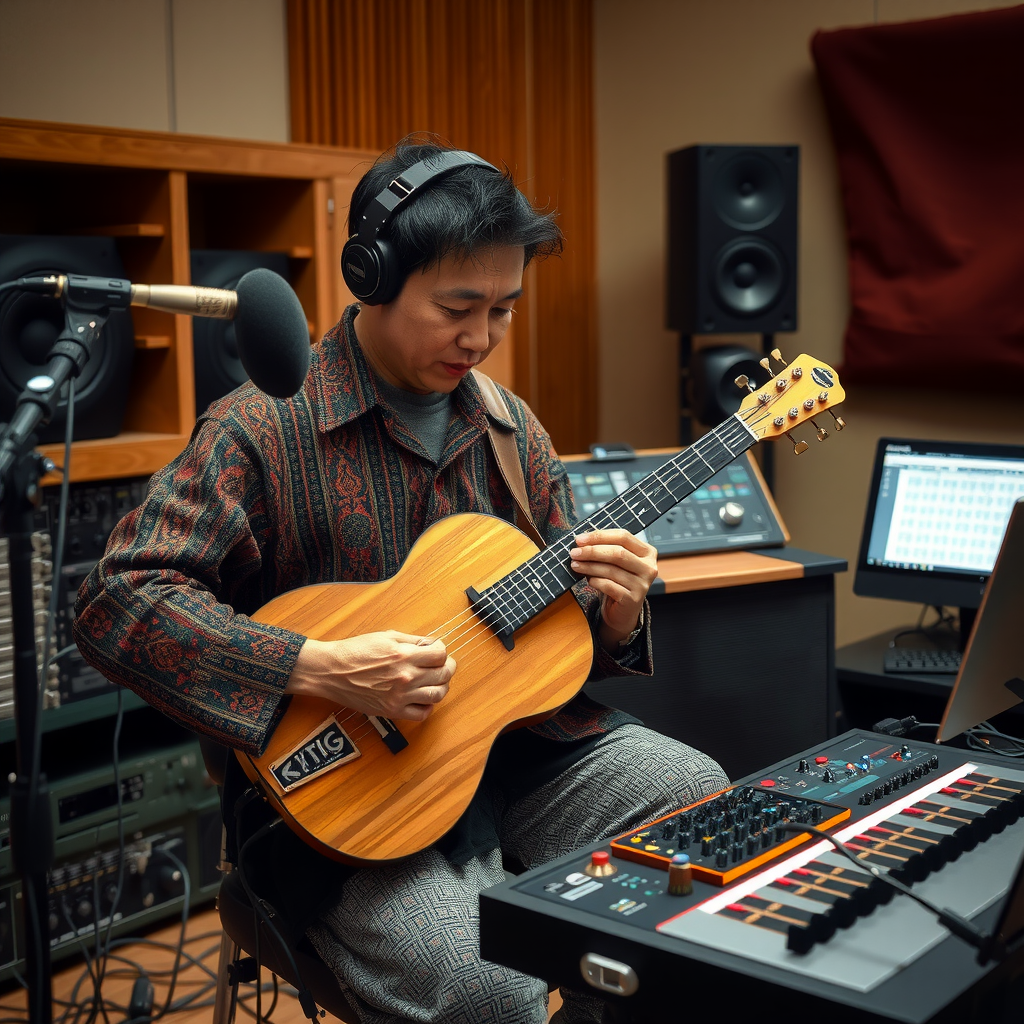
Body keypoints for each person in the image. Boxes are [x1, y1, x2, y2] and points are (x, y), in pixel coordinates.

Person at [74, 136, 728, 1024]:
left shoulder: (511, 427)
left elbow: (560, 617)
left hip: (521, 751)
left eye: (503, 308)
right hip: (351, 806)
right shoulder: (259, 428)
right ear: (372, 278)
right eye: (457, 306)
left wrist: (613, 612)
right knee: (485, 984)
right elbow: (118, 602)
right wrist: (317, 666)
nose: (481, 337)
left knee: (701, 808)